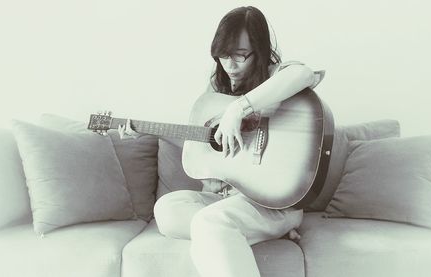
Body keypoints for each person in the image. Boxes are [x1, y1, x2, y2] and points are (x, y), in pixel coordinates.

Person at [120, 6, 324, 277]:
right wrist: (148, 131)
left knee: (207, 223)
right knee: (167, 210)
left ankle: (240, 229)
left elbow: (303, 74)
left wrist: (238, 109)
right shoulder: (216, 92)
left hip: (272, 203)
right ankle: (241, 232)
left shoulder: (277, 76)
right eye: (223, 56)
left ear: (260, 49)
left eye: (240, 56)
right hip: (226, 200)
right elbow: (203, 147)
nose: (230, 65)